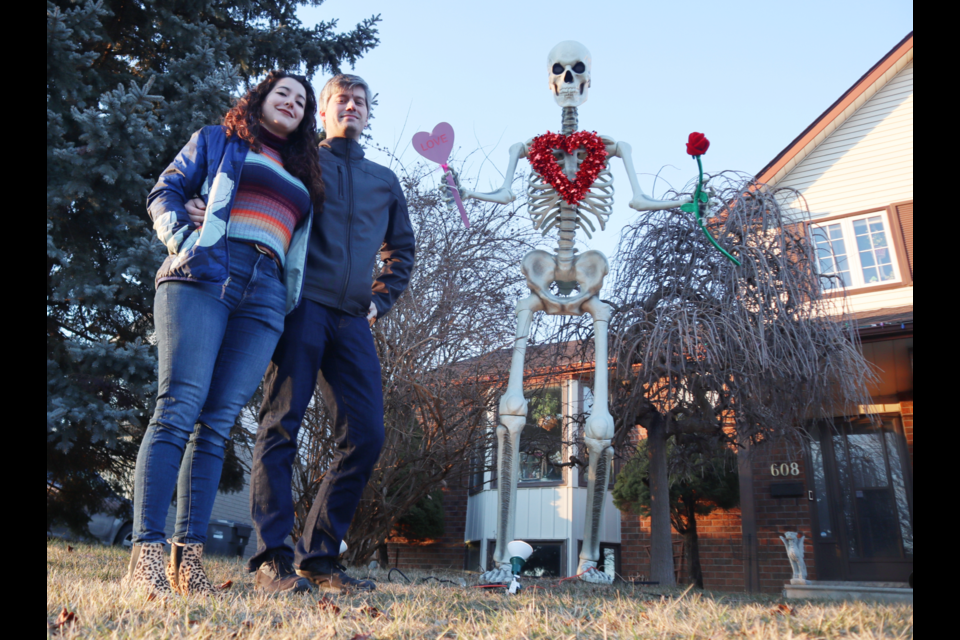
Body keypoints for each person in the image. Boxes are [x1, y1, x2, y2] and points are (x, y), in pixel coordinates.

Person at [184, 74, 415, 593]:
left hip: (353, 320)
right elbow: (251, 183)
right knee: (281, 423)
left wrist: (379, 301)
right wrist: (201, 207)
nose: (350, 107)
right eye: (341, 100)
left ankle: (321, 559)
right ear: (325, 112)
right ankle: (273, 558)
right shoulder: (303, 161)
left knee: (366, 434)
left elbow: (402, 250)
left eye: (359, 101)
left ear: (367, 114)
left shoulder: (385, 181)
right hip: (301, 308)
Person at [127, 71, 324, 598]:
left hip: (265, 294)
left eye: (302, 101)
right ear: (261, 99)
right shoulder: (218, 141)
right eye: (283, 92)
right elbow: (165, 189)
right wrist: (186, 237)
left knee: (216, 426)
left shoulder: (304, 172)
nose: (292, 103)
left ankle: (187, 564)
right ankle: (145, 557)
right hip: (208, 272)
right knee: (178, 406)